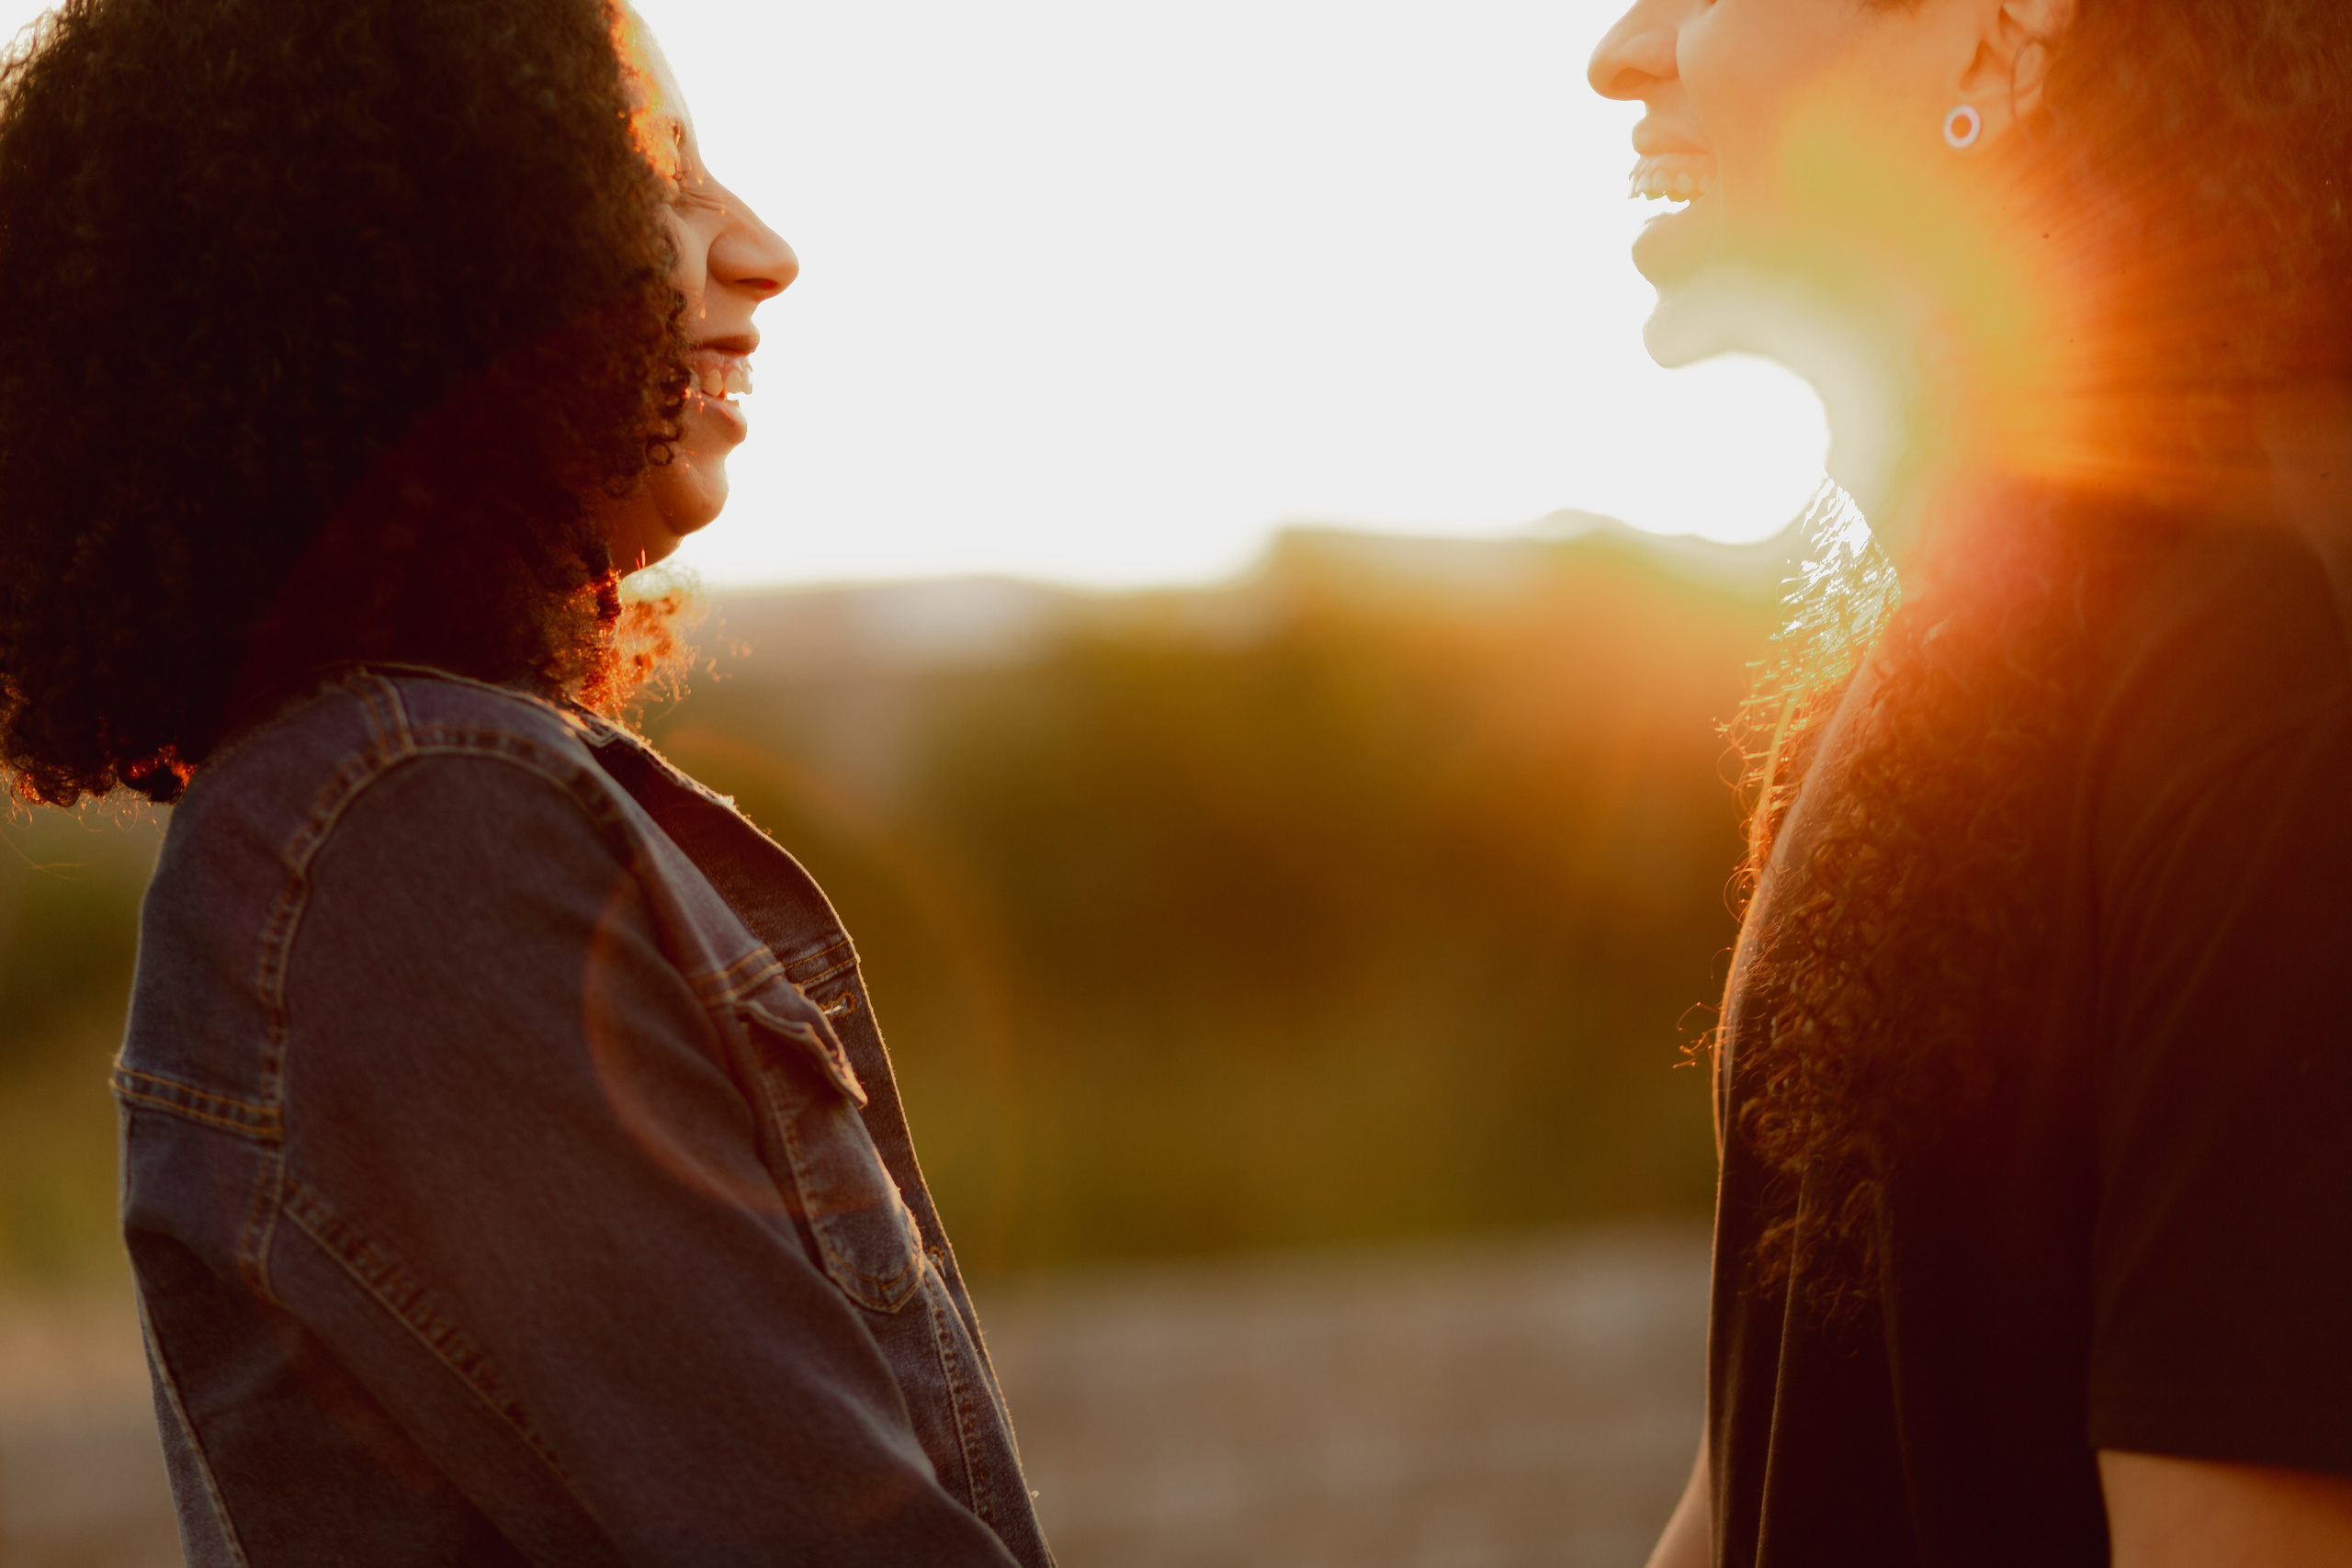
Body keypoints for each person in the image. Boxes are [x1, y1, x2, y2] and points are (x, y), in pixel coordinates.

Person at [0, 2, 1053, 1562]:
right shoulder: (412, 825)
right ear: (415, 244)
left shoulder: (382, 805)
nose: (762, 252)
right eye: (658, 173)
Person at [1585, 0, 2352, 1563]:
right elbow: (1762, 1474)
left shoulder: (2257, 678)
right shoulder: (1937, 641)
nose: (1625, 45)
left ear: (1999, 40)